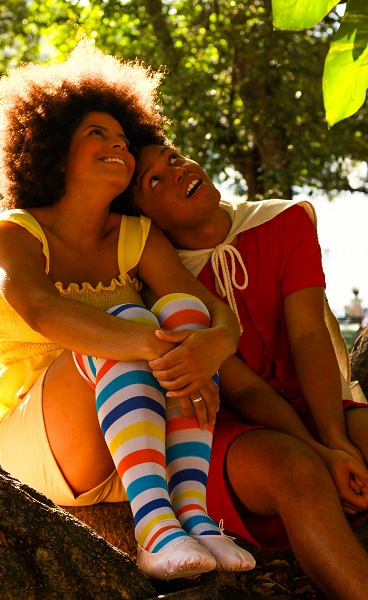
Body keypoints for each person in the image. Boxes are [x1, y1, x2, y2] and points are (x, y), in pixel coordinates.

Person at [0, 42, 255, 580]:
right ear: (53, 148)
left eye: (123, 139)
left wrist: (212, 344)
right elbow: (40, 308)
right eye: (96, 133)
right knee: (134, 320)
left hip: (136, 441)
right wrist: (157, 348)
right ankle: (153, 530)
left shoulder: (137, 235)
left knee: (182, 311)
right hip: (48, 441)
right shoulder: (15, 232)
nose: (119, 146)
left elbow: (213, 312)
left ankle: (191, 514)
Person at [125, 142, 368, 599]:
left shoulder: (283, 221)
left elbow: (308, 336)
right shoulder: (161, 284)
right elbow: (244, 390)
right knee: (298, 469)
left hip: (312, 401)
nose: (177, 171)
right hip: (222, 432)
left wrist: (335, 439)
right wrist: (319, 452)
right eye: (153, 179)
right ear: (145, 221)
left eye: (174, 157)